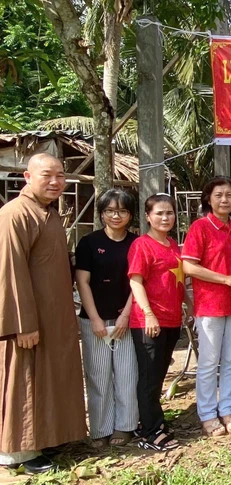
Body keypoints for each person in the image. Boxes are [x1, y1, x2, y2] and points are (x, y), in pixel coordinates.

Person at [0, 154, 87, 473]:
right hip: (28, 320)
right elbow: (10, 273)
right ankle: (17, 452)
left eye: (61, 176)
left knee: (49, 379)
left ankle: (47, 437)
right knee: (25, 380)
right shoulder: (14, 215)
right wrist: (21, 324)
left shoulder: (48, 214)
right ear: (27, 176)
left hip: (54, 316)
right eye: (47, 175)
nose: (55, 182)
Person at [181, 177, 231, 437]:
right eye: (218, 195)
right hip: (210, 304)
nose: (224, 200)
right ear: (208, 199)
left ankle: (227, 409)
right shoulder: (200, 227)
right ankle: (208, 414)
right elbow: (188, 267)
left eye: (229, 195)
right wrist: (224, 279)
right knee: (209, 362)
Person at [75, 189, 140, 448]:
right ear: (102, 213)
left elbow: (138, 282)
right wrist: (95, 319)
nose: (116, 215)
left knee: (126, 374)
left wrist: (125, 316)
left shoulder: (137, 243)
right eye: (110, 211)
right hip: (94, 321)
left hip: (127, 319)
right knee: (98, 375)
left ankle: (125, 426)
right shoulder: (89, 243)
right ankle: (100, 428)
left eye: (122, 211)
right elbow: (83, 281)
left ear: (131, 215)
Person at [128, 194, 192, 451]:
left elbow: (179, 279)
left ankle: (156, 421)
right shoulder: (141, 245)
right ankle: (149, 432)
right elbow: (135, 281)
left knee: (161, 374)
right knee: (149, 377)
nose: (165, 218)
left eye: (169, 213)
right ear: (147, 216)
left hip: (172, 319)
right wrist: (148, 314)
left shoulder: (173, 244)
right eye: (159, 213)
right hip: (149, 322)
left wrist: (189, 304)